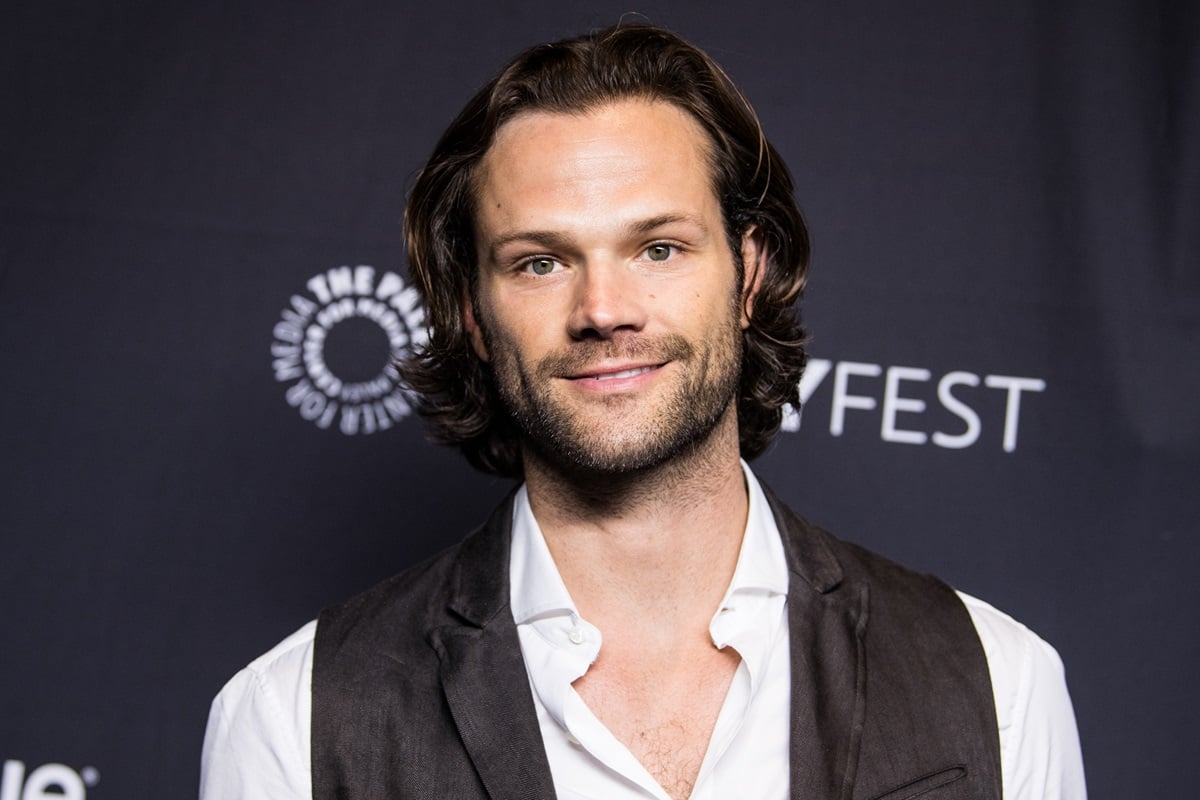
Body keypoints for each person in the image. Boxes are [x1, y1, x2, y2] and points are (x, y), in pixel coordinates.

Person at [200, 23, 1086, 800]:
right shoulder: (295, 720)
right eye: (539, 262)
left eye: (659, 248)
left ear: (749, 273)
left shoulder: (997, 682)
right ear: (470, 311)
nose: (604, 308)